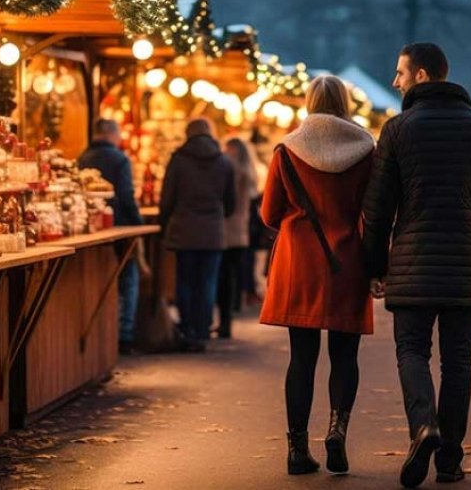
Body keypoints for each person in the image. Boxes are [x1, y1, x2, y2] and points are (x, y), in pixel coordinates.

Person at [363, 43, 471, 488]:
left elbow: (378, 210)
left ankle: (422, 426)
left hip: (412, 265)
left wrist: (374, 267)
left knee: (411, 351)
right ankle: (450, 460)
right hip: (467, 266)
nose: (394, 81)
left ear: (423, 76)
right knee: (458, 363)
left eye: (400, 73)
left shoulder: (397, 131)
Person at [259, 75, 376, 476]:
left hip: (300, 262)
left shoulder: (287, 150)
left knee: (301, 357)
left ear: (308, 101)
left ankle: (296, 449)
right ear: (346, 103)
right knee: (345, 355)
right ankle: (337, 431)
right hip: (347, 260)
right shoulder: (366, 150)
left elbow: (269, 213)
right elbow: (373, 213)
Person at [159, 117, 236, 352]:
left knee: (185, 281)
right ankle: (203, 329)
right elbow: (231, 202)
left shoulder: (178, 160)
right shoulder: (224, 161)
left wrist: (165, 223)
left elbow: (167, 197)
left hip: (184, 229)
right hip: (213, 232)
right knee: (207, 282)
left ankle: (188, 329)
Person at [78, 118, 147, 355]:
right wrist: (137, 224)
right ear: (112, 135)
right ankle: (125, 334)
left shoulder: (82, 158)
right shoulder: (120, 159)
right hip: (118, 227)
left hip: (89, 226)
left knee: (99, 278)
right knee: (128, 276)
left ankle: (105, 332)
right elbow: (127, 195)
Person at [217, 137, 257, 339]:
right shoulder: (249, 174)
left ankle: (225, 321)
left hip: (226, 229)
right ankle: (232, 311)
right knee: (233, 274)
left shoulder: (231, 172)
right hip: (241, 230)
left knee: (223, 277)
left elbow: (226, 202)